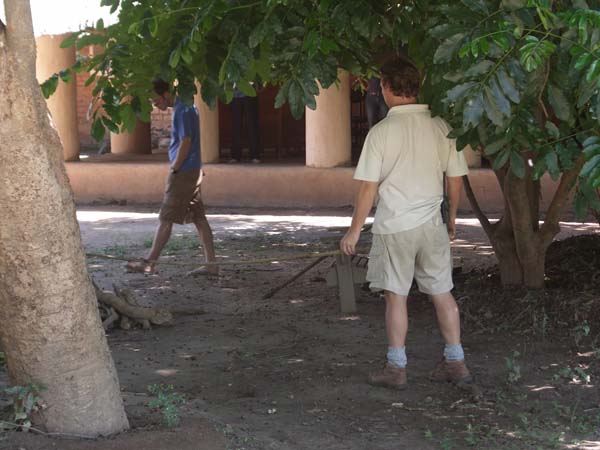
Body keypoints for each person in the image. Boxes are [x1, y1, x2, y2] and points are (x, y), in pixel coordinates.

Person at [340, 58, 471, 390]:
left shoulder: (381, 132)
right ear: (417, 86)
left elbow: (368, 186)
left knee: (396, 296)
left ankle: (396, 368)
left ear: (385, 87)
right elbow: (455, 178)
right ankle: (456, 362)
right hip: (432, 225)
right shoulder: (441, 126)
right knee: (443, 293)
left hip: (394, 226)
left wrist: (354, 230)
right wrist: (452, 216)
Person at [126, 79, 218, 275]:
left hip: (184, 172)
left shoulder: (183, 109)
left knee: (166, 217)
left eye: (155, 99)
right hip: (192, 170)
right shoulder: (188, 106)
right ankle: (212, 265)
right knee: (199, 218)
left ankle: (149, 263)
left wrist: (174, 169)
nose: (154, 104)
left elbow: (186, 141)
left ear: (165, 94)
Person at [229, 87, 262, 163]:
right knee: (235, 125)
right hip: (234, 94)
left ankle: (255, 155)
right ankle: (235, 156)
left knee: (252, 125)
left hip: (250, 93)